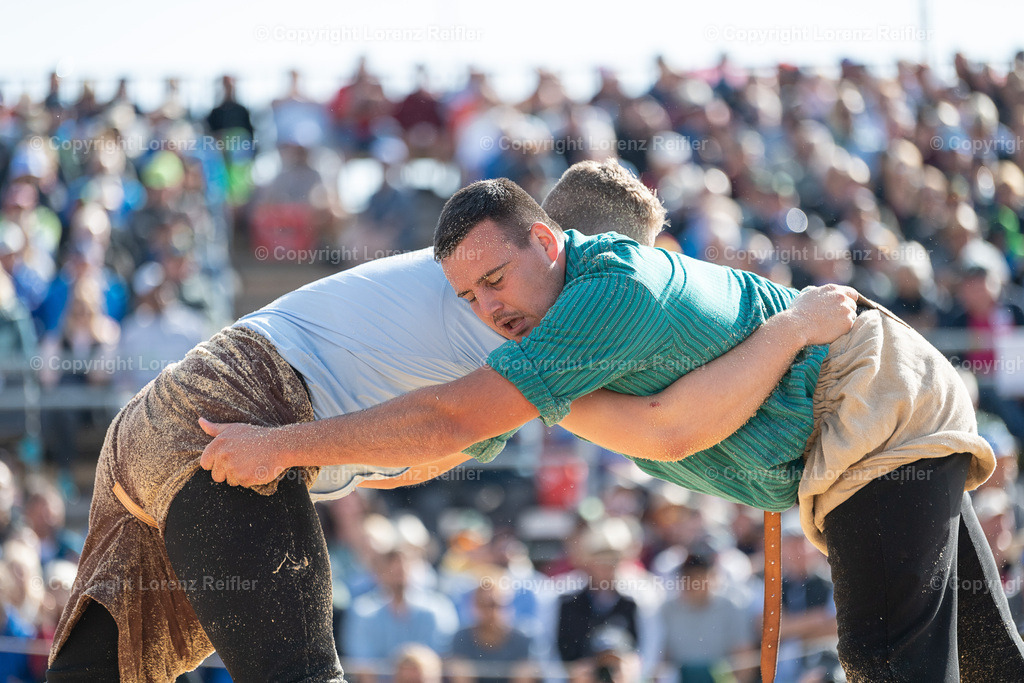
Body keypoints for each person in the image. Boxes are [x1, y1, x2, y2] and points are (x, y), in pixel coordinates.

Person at [48, 160, 856, 682]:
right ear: (578, 246)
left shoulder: (508, 314)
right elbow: (454, 422)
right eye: (632, 266)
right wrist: (284, 449)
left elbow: (449, 443)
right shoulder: (541, 307)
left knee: (97, 668)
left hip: (164, 426)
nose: (634, 319)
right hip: (232, 417)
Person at [202, 174, 1022, 681]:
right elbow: (441, 447)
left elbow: (644, 432)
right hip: (862, 412)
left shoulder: (609, 291)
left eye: (499, 278)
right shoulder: (546, 335)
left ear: (553, 242)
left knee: (891, 661)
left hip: (869, 405)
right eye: (471, 298)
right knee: (988, 660)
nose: (491, 309)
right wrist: (317, 478)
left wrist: (283, 448)